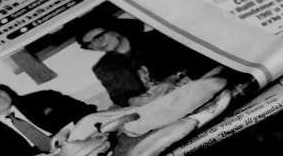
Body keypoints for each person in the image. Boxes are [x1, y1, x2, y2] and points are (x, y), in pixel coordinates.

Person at [76, 18, 217, 107]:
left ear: (113, 29)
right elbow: (120, 96)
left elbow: (198, 59)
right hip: (165, 107)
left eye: (98, 37)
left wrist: (175, 78)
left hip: (203, 89)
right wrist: (133, 100)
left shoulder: (158, 38)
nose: (97, 45)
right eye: (89, 44)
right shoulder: (103, 67)